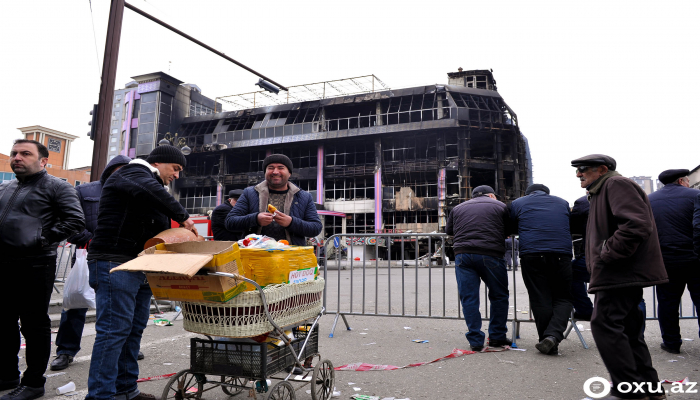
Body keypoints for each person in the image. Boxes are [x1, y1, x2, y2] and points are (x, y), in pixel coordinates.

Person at [85, 145, 196, 400]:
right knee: (114, 331)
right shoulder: (133, 172)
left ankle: (126, 390)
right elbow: (151, 191)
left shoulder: (148, 182)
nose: (177, 176)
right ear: (158, 163)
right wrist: (184, 217)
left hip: (141, 265)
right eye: (175, 169)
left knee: (133, 330)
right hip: (116, 263)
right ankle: (100, 395)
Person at [572, 154, 667, 400]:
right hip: (621, 271)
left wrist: (607, 253)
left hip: (619, 271)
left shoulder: (615, 184)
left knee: (605, 325)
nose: (578, 174)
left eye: (583, 169)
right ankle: (648, 389)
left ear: (602, 169)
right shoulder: (600, 191)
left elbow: (636, 225)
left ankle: (627, 390)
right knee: (628, 330)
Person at [0, 139, 84, 400]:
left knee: (34, 326)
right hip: (4, 264)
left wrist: (41, 240)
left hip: (36, 264)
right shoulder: (5, 187)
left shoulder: (58, 186)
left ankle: (34, 382)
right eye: (14, 153)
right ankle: (8, 375)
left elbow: (75, 220)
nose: (17, 157)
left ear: (43, 160)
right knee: (3, 324)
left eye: (25, 153)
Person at [48, 155, 132, 372]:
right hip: (88, 256)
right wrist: (89, 239)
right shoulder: (85, 191)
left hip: (123, 258)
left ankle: (125, 348)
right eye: (118, 170)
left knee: (121, 307)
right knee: (75, 305)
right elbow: (68, 222)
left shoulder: (134, 192)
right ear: (109, 170)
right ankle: (65, 351)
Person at [509, 183, 573, 355]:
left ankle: (547, 340)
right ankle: (552, 336)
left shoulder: (518, 203)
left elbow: (510, 226)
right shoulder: (562, 202)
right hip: (561, 254)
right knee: (564, 297)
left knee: (539, 297)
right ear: (547, 193)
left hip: (532, 254)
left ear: (527, 193)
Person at [446, 185, 510, 351]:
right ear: (491, 195)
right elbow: (510, 229)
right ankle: (496, 336)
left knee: (469, 297)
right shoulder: (501, 206)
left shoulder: (458, 208)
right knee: (499, 295)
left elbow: (449, 230)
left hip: (463, 255)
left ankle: (475, 340)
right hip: (491, 254)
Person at [648, 169, 700, 354]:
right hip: (695, 259)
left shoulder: (650, 199)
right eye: (687, 180)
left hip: (665, 260)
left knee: (667, 302)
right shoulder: (696, 195)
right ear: (681, 181)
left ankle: (671, 343)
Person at [226, 154, 322, 245]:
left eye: (281, 168)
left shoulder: (304, 196)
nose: (275, 172)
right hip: (256, 254)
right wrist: (255, 219)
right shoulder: (249, 193)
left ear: (289, 173)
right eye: (270, 168)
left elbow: (316, 228)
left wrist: (291, 223)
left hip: (291, 256)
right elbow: (230, 222)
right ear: (265, 172)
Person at [570, 195, 594, 321]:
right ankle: (636, 338)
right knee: (633, 295)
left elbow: (573, 226)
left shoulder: (584, 201)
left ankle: (585, 310)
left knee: (568, 273)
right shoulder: (634, 197)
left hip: (597, 255)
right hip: (629, 256)